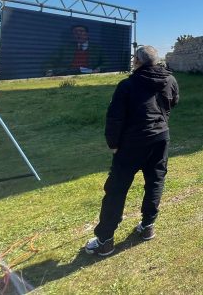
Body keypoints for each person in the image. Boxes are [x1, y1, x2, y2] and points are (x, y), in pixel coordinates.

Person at [84, 46, 179, 256]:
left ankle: (105, 239)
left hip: (132, 143)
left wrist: (113, 144)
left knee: (117, 188)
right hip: (160, 138)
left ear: (137, 60)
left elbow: (115, 117)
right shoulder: (169, 79)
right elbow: (174, 101)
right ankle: (147, 227)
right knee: (155, 181)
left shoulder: (127, 85)